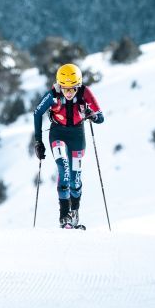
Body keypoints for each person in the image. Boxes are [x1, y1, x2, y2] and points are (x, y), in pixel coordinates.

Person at [32, 63, 104, 229]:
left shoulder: (85, 92)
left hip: (77, 135)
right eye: (65, 88)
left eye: (73, 88)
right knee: (63, 169)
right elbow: (37, 113)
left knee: (75, 177)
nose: (69, 92)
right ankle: (64, 215)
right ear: (59, 85)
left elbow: (101, 117)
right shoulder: (53, 94)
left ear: (78, 85)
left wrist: (91, 115)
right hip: (57, 132)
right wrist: (38, 141)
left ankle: (75, 213)